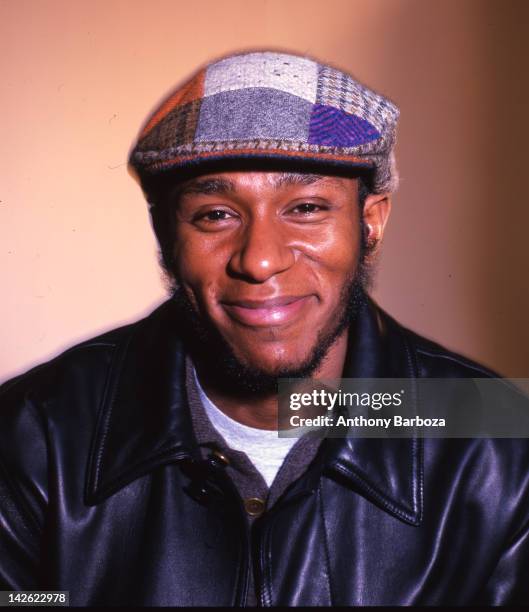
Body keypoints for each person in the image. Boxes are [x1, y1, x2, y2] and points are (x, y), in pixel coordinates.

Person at [1, 50, 528, 607]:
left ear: (370, 222)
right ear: (166, 235)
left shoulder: (499, 443)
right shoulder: (36, 435)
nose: (259, 259)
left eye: (305, 208)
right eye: (216, 214)